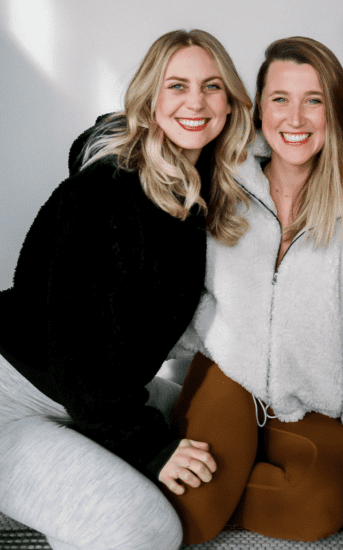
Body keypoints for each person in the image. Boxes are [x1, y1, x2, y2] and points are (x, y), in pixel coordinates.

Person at [0, 29, 253, 550]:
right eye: (176, 86)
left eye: (212, 87)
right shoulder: (109, 194)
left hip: (83, 392)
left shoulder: (193, 188)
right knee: (145, 528)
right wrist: (152, 449)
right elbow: (78, 357)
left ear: (230, 103)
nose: (196, 102)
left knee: (217, 406)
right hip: (18, 396)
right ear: (150, 98)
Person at [164, 36, 343, 544]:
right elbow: (189, 293)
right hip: (227, 379)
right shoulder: (223, 180)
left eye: (313, 100)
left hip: (310, 402)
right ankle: (205, 474)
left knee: (318, 510)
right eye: (280, 99)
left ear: (335, 111)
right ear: (258, 108)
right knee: (189, 518)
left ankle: (238, 474)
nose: (295, 119)